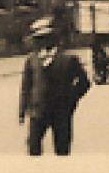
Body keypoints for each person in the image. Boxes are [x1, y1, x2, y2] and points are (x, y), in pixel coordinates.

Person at [17, 16, 91, 156]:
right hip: (37, 113)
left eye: (44, 38)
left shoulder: (68, 59)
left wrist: (70, 100)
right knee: (33, 148)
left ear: (52, 38)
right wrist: (22, 110)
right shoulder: (32, 60)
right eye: (37, 39)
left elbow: (84, 83)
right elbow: (26, 87)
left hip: (61, 113)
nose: (40, 42)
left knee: (62, 150)